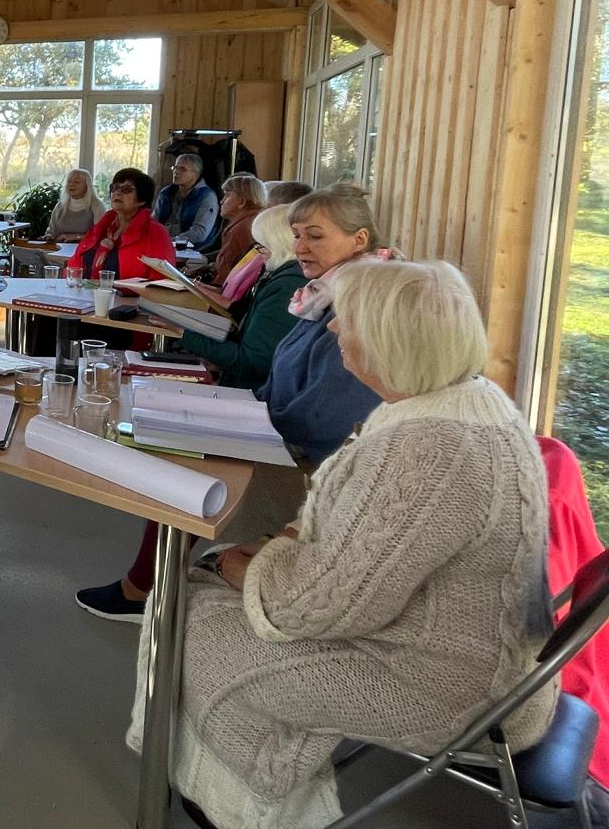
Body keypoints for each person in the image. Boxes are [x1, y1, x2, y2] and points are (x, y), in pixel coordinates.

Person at [131, 260, 555, 829]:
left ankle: (250, 811)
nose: (331, 327)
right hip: (474, 660)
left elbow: (312, 607)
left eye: (347, 318)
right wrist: (278, 546)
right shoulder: (466, 404)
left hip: (453, 689)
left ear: (390, 341)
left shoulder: (432, 448)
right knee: (199, 590)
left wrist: (242, 566)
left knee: (190, 619)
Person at [77, 186, 386, 623]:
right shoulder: (325, 291)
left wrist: (243, 416)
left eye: (315, 236)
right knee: (164, 416)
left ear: (359, 239)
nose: (301, 247)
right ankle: (147, 582)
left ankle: (142, 592)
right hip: (278, 421)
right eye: (297, 235)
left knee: (179, 456)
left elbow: (325, 414)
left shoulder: (356, 304)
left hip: (304, 450)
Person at [178, 204, 302, 390]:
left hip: (252, 392)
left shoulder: (286, 285)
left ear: (279, 244)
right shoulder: (279, 277)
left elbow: (252, 362)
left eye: (262, 245)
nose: (259, 253)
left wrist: (183, 332)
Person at [71, 167, 175, 282]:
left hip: (129, 294)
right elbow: (74, 265)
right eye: (114, 188)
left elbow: (162, 282)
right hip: (85, 291)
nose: (117, 192)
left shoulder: (156, 233)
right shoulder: (102, 227)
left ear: (142, 199)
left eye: (126, 189)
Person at [207, 173, 265, 287]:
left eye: (227, 196)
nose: (221, 201)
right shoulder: (254, 220)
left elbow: (226, 274)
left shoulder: (240, 229)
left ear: (242, 202)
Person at [154, 153, 218, 247]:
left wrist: (169, 242)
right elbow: (153, 222)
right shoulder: (166, 192)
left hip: (193, 249)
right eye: (175, 168)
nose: (176, 172)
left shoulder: (207, 196)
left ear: (196, 174)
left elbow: (199, 233)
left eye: (182, 169)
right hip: (163, 244)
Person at [43, 168, 104, 242]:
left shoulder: (97, 206)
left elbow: (100, 235)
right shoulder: (61, 206)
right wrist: (49, 236)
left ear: (87, 186)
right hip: (61, 247)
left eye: (77, 182)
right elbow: (52, 232)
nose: (71, 184)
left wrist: (76, 237)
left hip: (86, 248)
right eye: (69, 181)